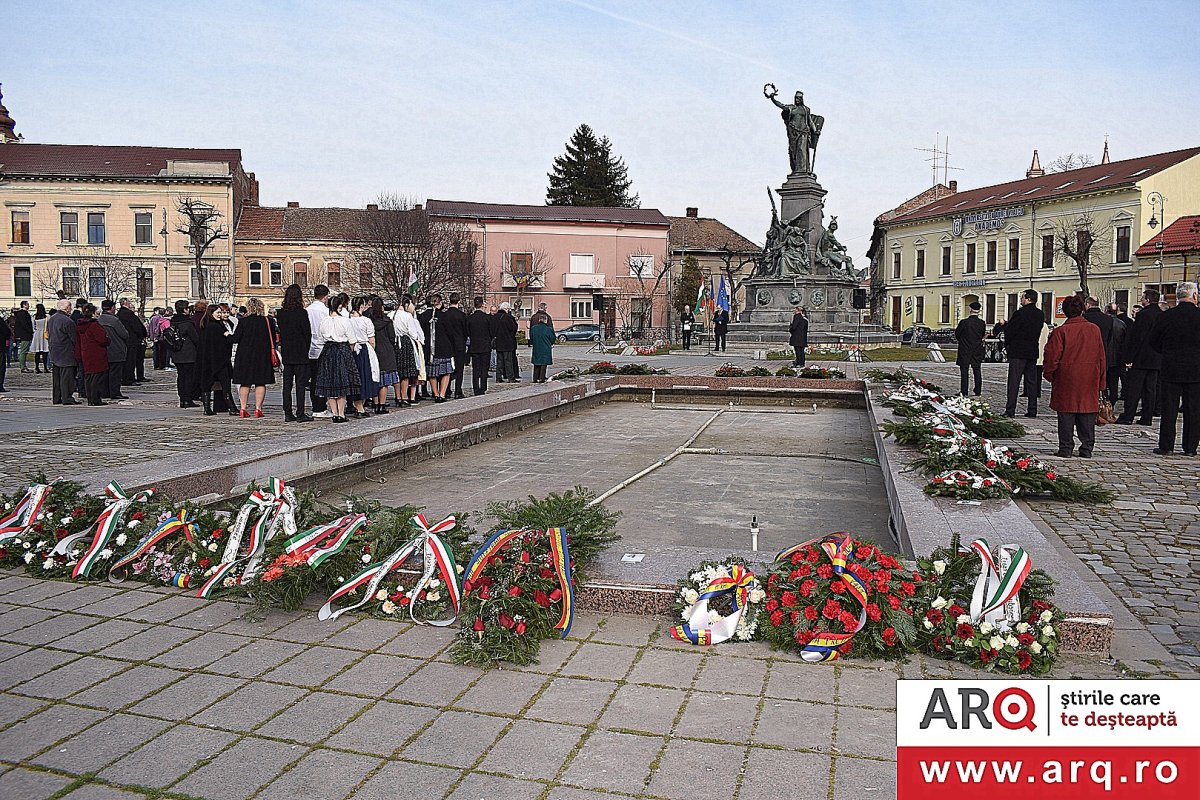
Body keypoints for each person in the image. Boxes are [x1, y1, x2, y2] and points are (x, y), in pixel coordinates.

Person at [1043, 295, 1106, 458]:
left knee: (1066, 412)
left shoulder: (1061, 331)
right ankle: (1086, 447)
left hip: (1066, 376)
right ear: (1082, 309)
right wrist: (1101, 380)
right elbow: (1101, 356)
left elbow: (1052, 355)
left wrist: (1050, 374)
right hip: (1089, 376)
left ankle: (1066, 448)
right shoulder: (1094, 329)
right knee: (1087, 411)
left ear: (1065, 311)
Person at [1149, 281, 1200, 456]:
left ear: (1178, 296)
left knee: (1169, 410)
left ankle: (1166, 446)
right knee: (1193, 410)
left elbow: (1153, 341)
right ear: (1194, 296)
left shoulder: (1166, 316)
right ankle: (1190, 447)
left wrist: (1166, 352)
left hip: (1171, 367)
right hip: (1196, 370)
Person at [1116, 289, 1163, 426]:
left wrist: (1129, 357)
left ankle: (1128, 415)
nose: (1141, 299)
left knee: (1134, 388)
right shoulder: (1161, 314)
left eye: (1143, 297)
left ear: (1148, 299)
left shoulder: (1144, 315)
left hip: (1141, 357)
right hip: (1156, 358)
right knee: (1150, 389)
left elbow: (1137, 338)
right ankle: (1147, 416)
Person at [314, 293, 359, 423]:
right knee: (342, 384)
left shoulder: (324, 321)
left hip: (327, 351)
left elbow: (320, 339)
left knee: (329, 384)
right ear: (339, 306)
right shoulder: (345, 320)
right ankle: (341, 413)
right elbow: (352, 340)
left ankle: (334, 413)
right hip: (342, 350)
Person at [230, 298, 276, 418]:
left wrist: (227, 335)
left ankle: (243, 408)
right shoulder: (268, 321)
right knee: (260, 382)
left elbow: (235, 338)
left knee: (245, 383)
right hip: (262, 354)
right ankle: (258, 409)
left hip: (245, 355)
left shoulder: (244, 322)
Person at [1003, 290, 1045, 418]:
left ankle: (1010, 410)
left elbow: (1010, 331)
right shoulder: (1040, 314)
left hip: (1018, 351)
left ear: (1027, 299)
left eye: (1022, 297)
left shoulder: (1019, 313)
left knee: (1014, 381)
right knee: (1032, 382)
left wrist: (1008, 345)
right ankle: (1032, 409)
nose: (1021, 300)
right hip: (1032, 350)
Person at [276, 284, 313, 422]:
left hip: (287, 351)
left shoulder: (281, 313)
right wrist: (306, 348)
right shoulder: (301, 313)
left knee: (287, 384)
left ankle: (287, 412)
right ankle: (300, 412)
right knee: (300, 384)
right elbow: (307, 333)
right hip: (300, 351)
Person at [196, 303, 236, 417]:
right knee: (225, 384)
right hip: (218, 359)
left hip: (208, 359)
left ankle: (207, 408)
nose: (220, 315)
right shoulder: (215, 326)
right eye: (218, 313)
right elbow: (221, 344)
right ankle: (231, 407)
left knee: (207, 384)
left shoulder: (206, 324)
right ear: (211, 313)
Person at [1082, 297, 1117, 407]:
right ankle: (1102, 403)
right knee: (1102, 380)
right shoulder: (1108, 319)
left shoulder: (1084, 318)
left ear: (1088, 305)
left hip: (1086, 354)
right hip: (1103, 353)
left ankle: (1088, 403)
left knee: (1087, 382)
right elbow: (1110, 337)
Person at [366, 297, 398, 415]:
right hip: (386, 350)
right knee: (384, 381)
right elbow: (392, 337)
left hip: (374, 350)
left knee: (376, 377)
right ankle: (382, 405)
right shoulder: (387, 321)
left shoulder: (369, 321)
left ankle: (375, 403)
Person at [389, 294, 423, 405]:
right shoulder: (407, 316)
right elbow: (413, 333)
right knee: (405, 373)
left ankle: (398, 396)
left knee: (398, 371)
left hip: (395, 343)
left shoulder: (391, 315)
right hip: (405, 343)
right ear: (407, 304)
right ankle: (404, 396)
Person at [75, 304, 110, 406]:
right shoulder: (94, 325)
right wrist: (108, 339)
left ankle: (90, 397)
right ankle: (95, 398)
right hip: (96, 353)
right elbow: (102, 339)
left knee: (89, 376)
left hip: (85, 352)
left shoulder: (80, 325)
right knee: (97, 376)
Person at [348, 297, 377, 419]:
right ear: (361, 306)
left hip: (351, 350)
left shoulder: (347, 320)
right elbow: (371, 340)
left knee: (355, 378)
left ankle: (357, 405)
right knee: (364, 378)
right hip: (364, 350)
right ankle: (360, 407)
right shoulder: (366, 321)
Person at [169, 299, 201, 408]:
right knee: (189, 377)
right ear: (185, 310)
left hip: (177, 353)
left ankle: (182, 399)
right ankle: (188, 399)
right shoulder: (187, 323)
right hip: (188, 353)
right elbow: (195, 339)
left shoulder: (172, 321)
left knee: (180, 376)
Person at [47, 299, 79, 405]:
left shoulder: (51, 319)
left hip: (54, 350)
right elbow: (74, 338)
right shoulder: (67, 321)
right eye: (70, 307)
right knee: (67, 377)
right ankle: (67, 397)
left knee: (57, 377)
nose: (71, 309)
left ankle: (57, 397)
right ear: (67, 308)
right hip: (66, 351)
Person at [306, 284, 331, 417]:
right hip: (323, 347)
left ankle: (316, 406)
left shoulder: (308, 310)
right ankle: (321, 406)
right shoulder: (325, 312)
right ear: (326, 297)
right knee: (323, 379)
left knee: (313, 379)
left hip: (311, 348)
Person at [98, 300, 130, 401]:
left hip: (104, 350)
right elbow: (124, 334)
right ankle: (115, 392)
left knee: (105, 372)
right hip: (116, 349)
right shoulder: (114, 320)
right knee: (115, 373)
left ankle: (105, 392)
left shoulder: (99, 319)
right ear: (112, 308)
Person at [426, 294, 455, 402]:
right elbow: (450, 332)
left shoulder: (425, 316)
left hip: (430, 348)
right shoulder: (445, 316)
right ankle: (442, 394)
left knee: (432, 373)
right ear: (441, 303)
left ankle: (436, 393)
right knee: (446, 372)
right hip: (444, 347)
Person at [955, 301, 986, 396]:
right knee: (977, 370)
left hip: (965, 348)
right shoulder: (982, 323)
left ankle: (964, 391)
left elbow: (957, 334)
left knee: (964, 370)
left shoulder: (964, 322)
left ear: (970, 309)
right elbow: (982, 335)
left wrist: (963, 340)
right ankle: (978, 390)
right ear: (979, 310)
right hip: (977, 349)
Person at [441, 292, 469, 399]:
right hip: (459, 344)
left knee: (448, 369)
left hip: (447, 344)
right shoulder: (461, 315)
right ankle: (458, 391)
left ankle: (447, 390)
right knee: (459, 369)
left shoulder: (445, 315)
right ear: (458, 301)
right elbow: (465, 331)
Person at [466, 296, 493, 395]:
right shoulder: (487, 318)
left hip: (474, 346)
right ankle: (483, 387)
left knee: (475, 369)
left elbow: (467, 332)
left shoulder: (469, 319)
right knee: (484, 368)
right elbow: (492, 332)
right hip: (485, 346)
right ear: (482, 305)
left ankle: (476, 387)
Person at [118, 299, 149, 385]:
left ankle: (129, 378)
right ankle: (129, 379)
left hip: (128, 340)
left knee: (131, 360)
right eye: (129, 303)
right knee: (130, 361)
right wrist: (141, 335)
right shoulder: (127, 314)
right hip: (132, 340)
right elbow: (136, 327)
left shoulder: (121, 314)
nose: (130, 304)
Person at [1104, 304, 1126, 405]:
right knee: (1114, 383)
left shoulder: (1103, 322)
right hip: (1117, 357)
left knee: (1104, 382)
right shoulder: (1121, 324)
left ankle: (1104, 402)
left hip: (1105, 356)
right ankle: (1112, 402)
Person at [492, 302, 519, 383]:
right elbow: (513, 328)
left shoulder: (495, 317)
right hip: (507, 342)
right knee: (508, 361)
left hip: (498, 341)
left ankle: (498, 377)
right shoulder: (508, 317)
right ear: (507, 309)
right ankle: (510, 377)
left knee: (499, 361)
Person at [530, 314, 554, 383]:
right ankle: (541, 378)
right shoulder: (548, 329)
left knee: (536, 362)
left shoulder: (534, 328)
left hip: (536, 347)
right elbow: (552, 338)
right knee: (544, 363)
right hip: (545, 348)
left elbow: (531, 338)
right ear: (545, 320)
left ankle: (535, 378)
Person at [13, 301, 33, 373]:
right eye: (28, 304)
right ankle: (23, 367)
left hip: (25, 334)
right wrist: (30, 331)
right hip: (24, 334)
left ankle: (23, 366)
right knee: (23, 351)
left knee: (24, 351)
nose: (29, 305)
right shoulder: (23, 314)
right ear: (24, 305)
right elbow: (25, 324)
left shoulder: (23, 314)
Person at [29, 303, 49, 374]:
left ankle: (37, 367)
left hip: (37, 334)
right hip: (44, 333)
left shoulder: (34, 317)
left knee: (37, 352)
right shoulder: (47, 317)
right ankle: (45, 367)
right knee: (45, 353)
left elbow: (33, 327)